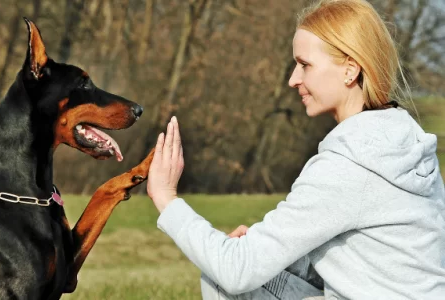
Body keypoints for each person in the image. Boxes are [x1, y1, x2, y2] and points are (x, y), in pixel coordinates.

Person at [145, 0, 445, 299]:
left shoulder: (347, 166)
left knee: (221, 277)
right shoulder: (407, 146)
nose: (293, 79)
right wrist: (261, 250)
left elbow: (236, 271)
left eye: (305, 65)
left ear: (350, 70)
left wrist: (166, 198)